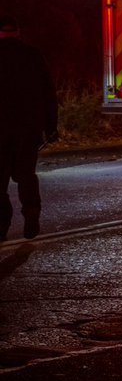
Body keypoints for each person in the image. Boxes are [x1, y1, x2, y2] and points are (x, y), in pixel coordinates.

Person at [0, 16, 58, 240]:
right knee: (26, 175)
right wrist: (51, 127)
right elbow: (48, 93)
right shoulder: (33, 56)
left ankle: (2, 224)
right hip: (28, 128)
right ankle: (31, 213)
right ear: (18, 32)